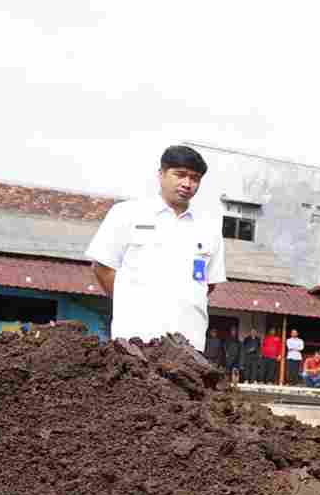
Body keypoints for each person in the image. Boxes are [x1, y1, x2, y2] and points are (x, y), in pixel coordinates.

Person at [86, 145, 225, 352]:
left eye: (194, 178)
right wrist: (130, 301)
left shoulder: (209, 226)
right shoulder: (127, 213)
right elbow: (102, 267)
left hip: (189, 343)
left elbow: (208, 284)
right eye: (180, 175)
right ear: (161, 174)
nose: (187, 184)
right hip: (136, 339)